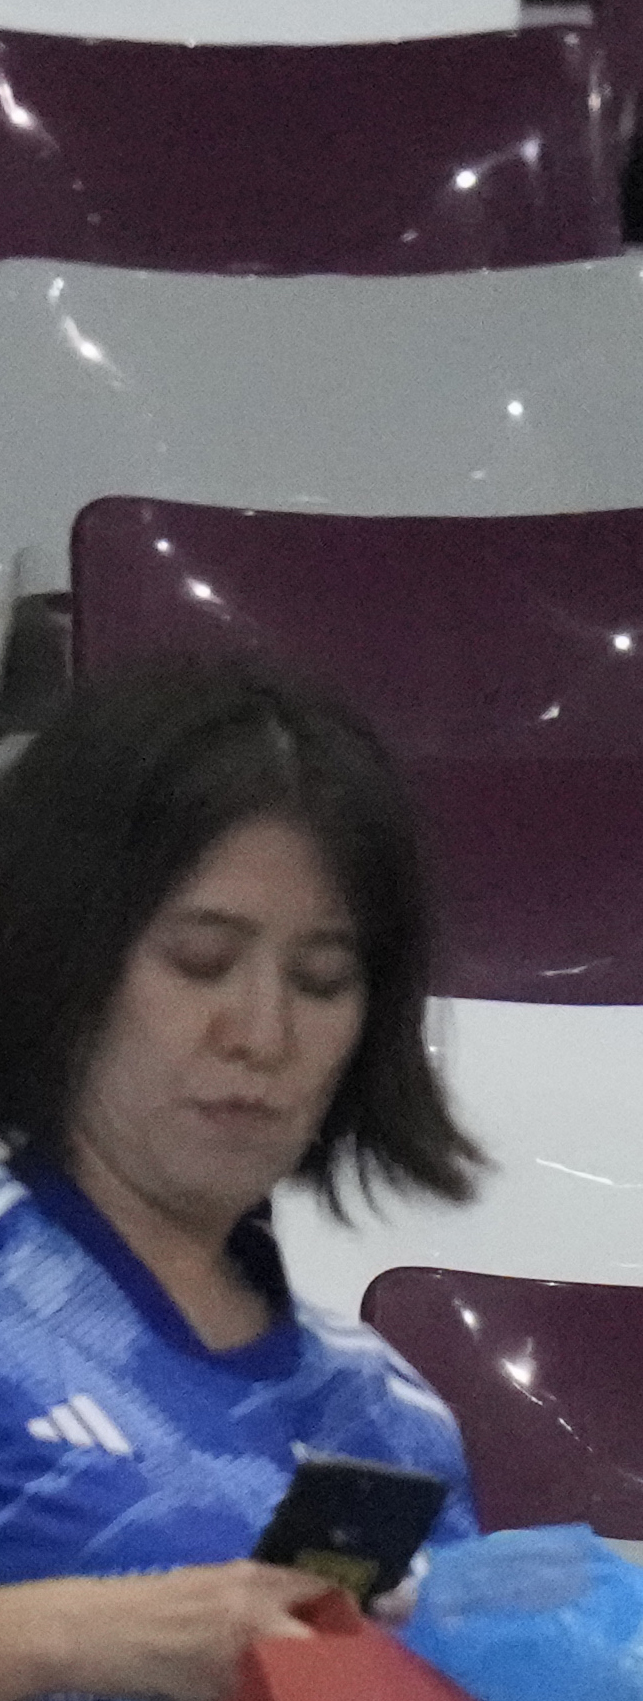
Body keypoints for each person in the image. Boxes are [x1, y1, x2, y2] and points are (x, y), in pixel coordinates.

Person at [0, 661, 485, 1701]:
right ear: (59, 956)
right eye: (200, 959)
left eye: (321, 981)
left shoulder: (390, 1421)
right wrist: (64, 1633)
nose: (262, 1034)